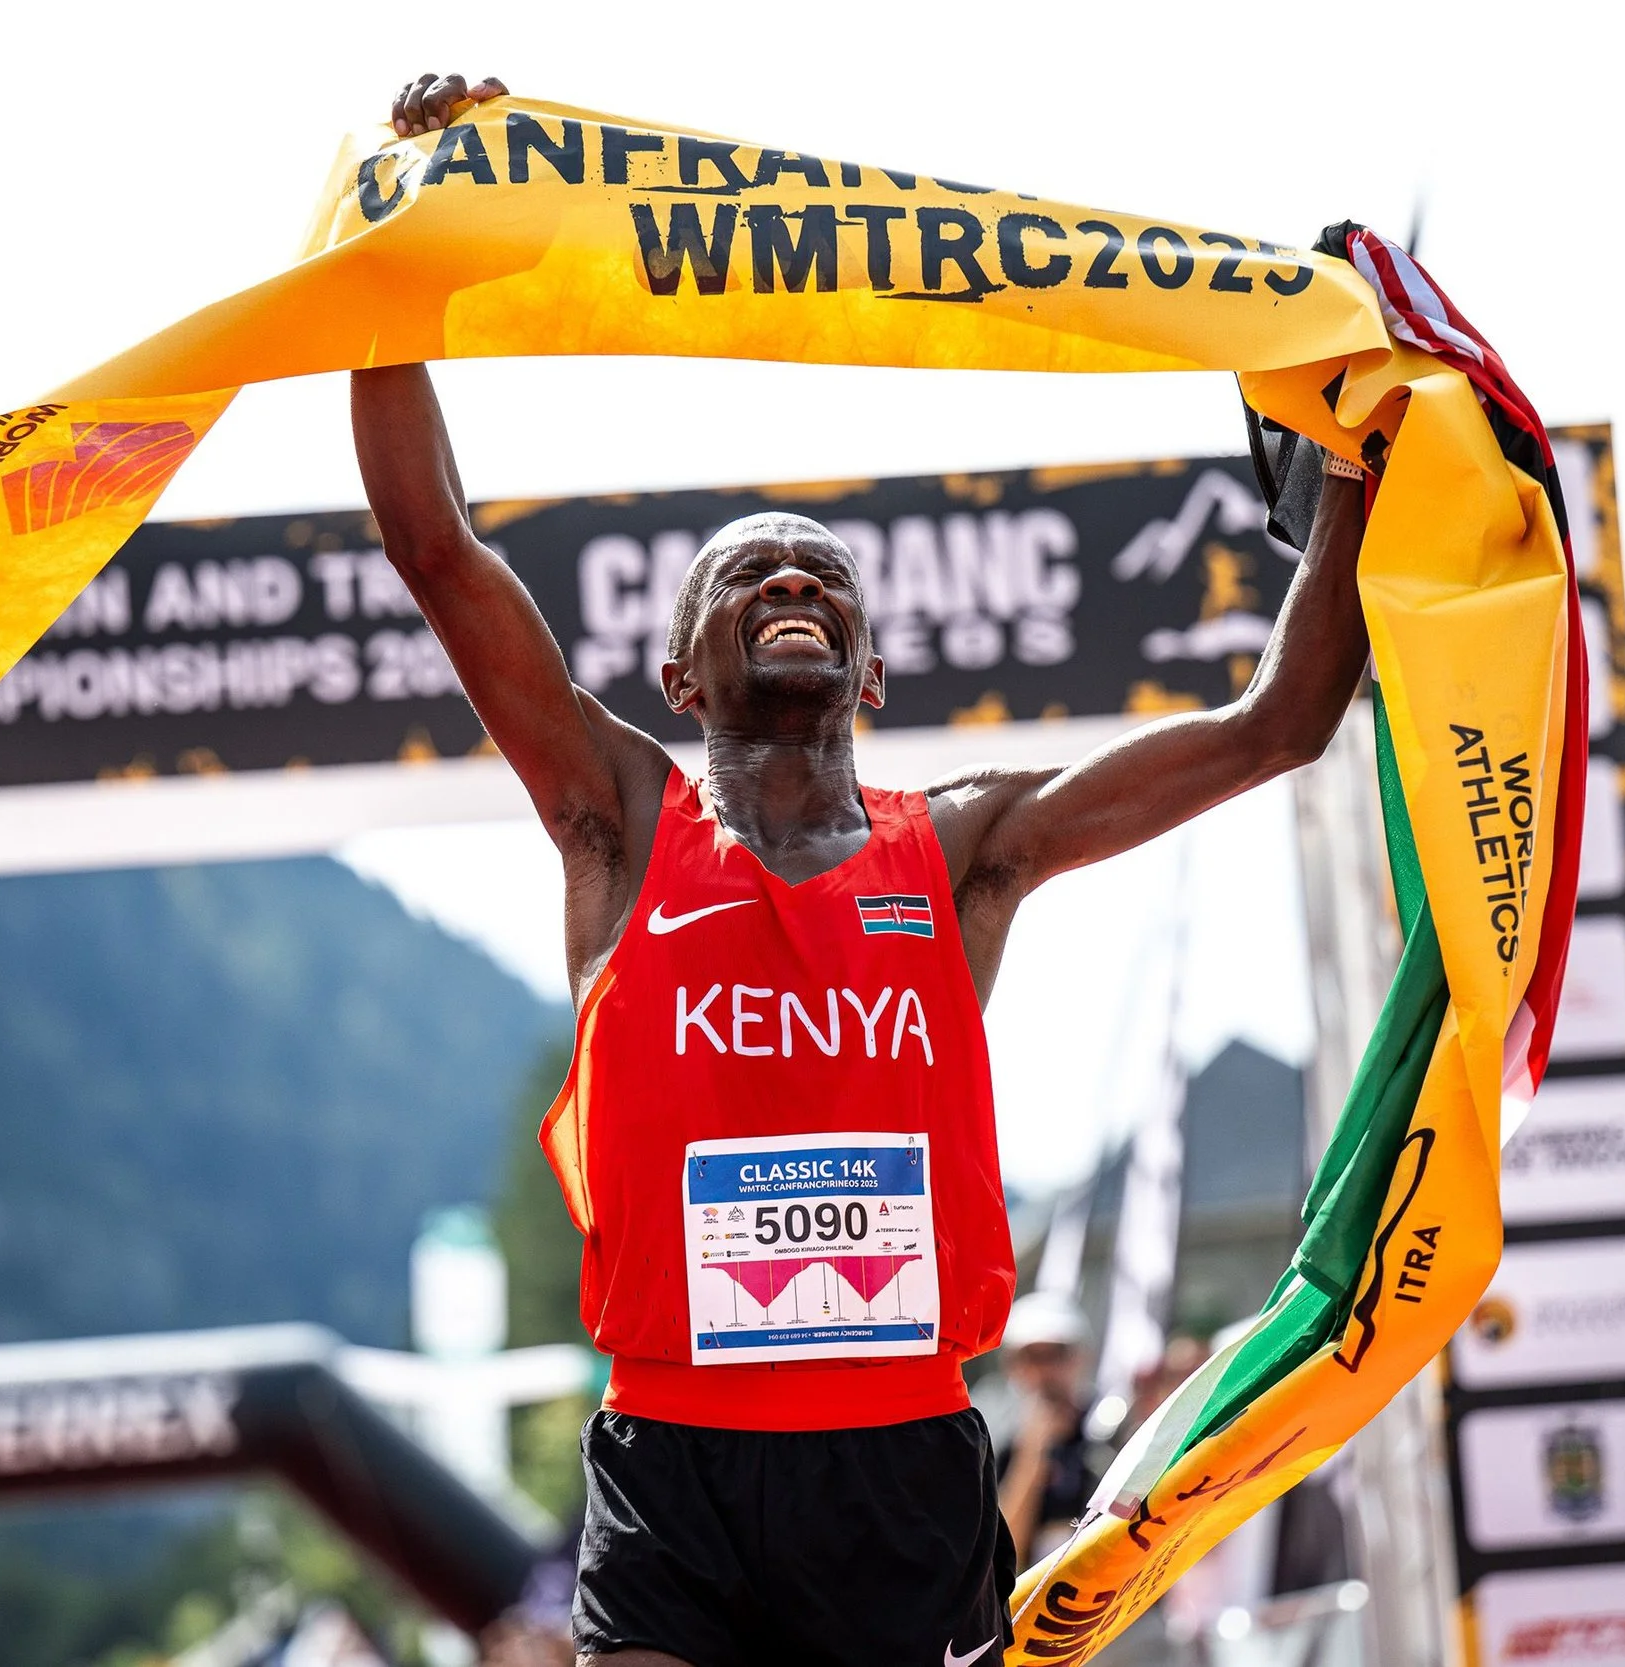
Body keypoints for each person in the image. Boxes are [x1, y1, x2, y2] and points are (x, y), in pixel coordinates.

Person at [357, 72, 1375, 1667]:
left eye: (822, 574)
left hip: (900, 1463)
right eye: (745, 571)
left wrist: (1362, 475)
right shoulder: (617, 820)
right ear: (680, 674)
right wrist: (399, 241)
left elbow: (1278, 724)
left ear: (873, 671)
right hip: (675, 1460)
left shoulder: (963, 848)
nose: (789, 576)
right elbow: (434, 542)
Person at [992, 1293, 1097, 1569]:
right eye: (1031, 1358)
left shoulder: (1105, 1433)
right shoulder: (1001, 1444)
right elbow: (1006, 1547)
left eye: (1055, 1355)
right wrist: (1032, 1455)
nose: (1044, 1371)